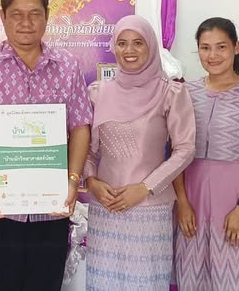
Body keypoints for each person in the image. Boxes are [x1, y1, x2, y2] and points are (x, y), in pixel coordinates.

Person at [0, 0, 93, 291]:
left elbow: (80, 127)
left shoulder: (67, 66)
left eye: (34, 14)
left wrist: (72, 181)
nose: (26, 22)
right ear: (3, 17)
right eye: (16, 14)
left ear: (47, 17)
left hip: (51, 205)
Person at [84, 15, 196, 290]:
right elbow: (87, 149)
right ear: (114, 47)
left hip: (150, 210)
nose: (129, 50)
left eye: (138, 43)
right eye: (122, 43)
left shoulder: (170, 93)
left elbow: (185, 149)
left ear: (151, 47)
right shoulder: (98, 92)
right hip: (105, 208)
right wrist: (92, 182)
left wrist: (145, 188)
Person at [172, 18, 239, 290]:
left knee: (237, 275)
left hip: (237, 197)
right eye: (205, 48)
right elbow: (176, 153)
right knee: (194, 275)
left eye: (221, 47)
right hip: (193, 198)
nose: (213, 55)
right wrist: (182, 202)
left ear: (236, 47)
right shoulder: (184, 93)